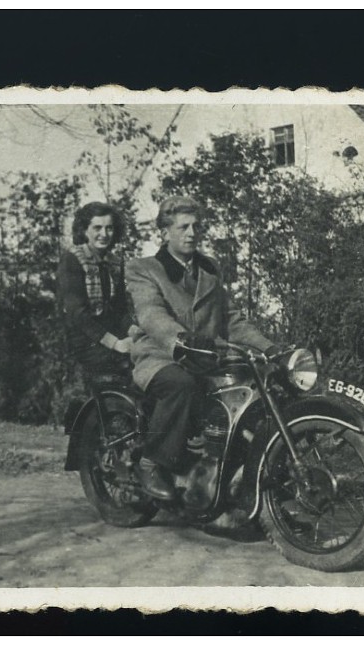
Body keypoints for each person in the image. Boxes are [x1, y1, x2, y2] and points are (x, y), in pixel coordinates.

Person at [125, 196, 280, 500]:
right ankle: (150, 463)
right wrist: (181, 340)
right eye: (183, 227)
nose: (192, 232)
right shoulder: (145, 269)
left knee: (251, 391)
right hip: (160, 355)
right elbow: (151, 315)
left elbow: (232, 319)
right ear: (165, 232)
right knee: (180, 385)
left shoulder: (209, 269)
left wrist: (270, 347)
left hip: (207, 356)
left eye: (197, 226)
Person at [57, 201, 133, 378]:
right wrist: (115, 343)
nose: (104, 234)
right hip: (84, 340)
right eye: (97, 228)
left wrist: (135, 332)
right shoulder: (73, 259)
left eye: (109, 228)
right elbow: (77, 314)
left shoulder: (114, 262)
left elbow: (120, 310)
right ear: (84, 230)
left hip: (112, 336)